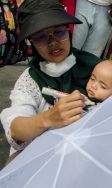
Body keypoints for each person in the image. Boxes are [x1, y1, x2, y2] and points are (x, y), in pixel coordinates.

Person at [0, 0, 100, 157]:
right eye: (40, 37)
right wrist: (47, 119)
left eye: (59, 32)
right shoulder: (30, 79)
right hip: (45, 156)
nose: (53, 42)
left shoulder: (95, 68)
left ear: (69, 32)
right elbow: (15, 128)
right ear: (31, 43)